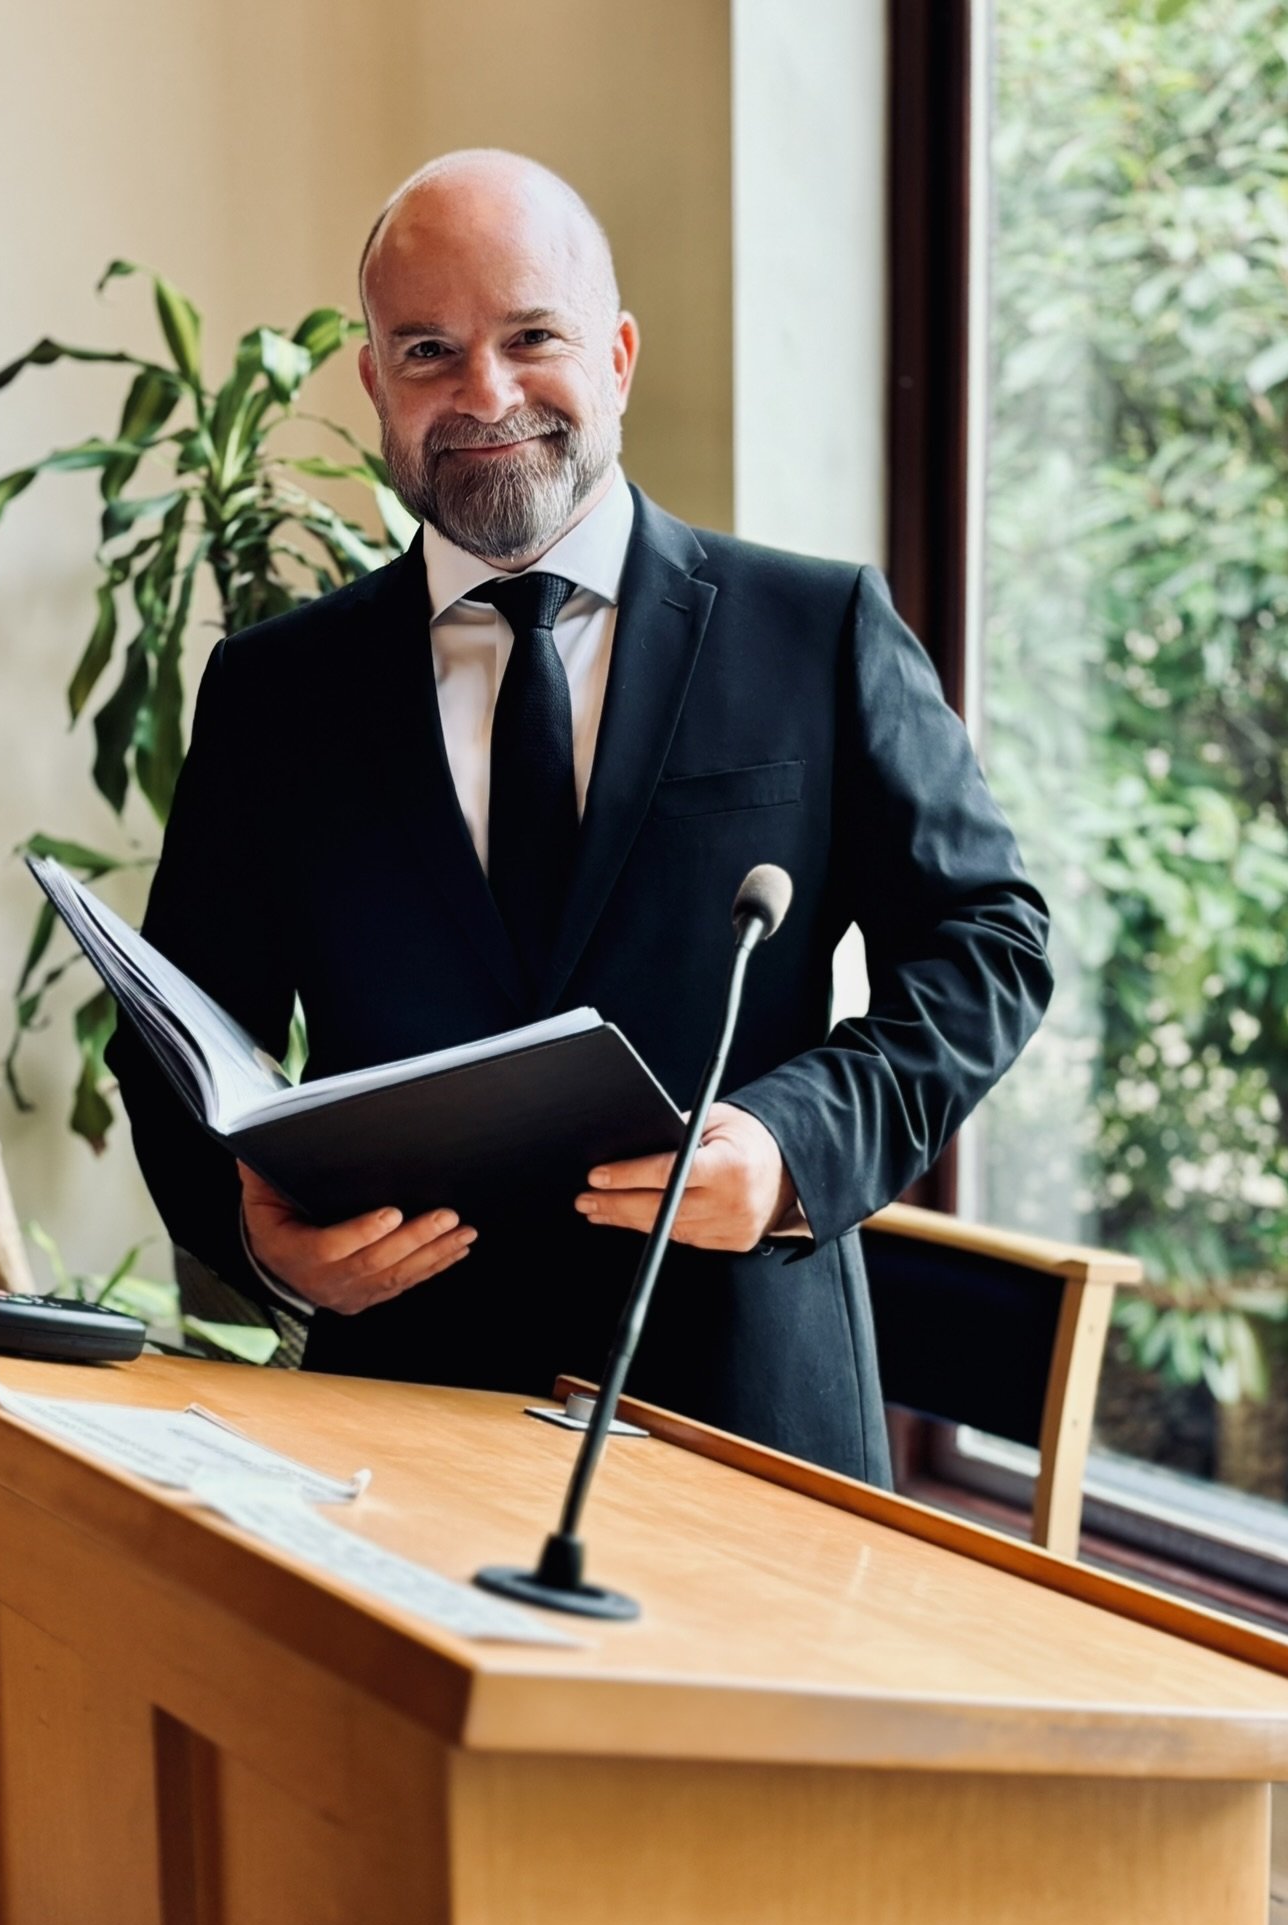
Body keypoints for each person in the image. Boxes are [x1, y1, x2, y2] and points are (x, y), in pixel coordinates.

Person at [107, 150, 1052, 1486]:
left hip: (747, 1415)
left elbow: (988, 944)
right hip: (396, 1421)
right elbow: (173, 1036)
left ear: (614, 354)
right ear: (375, 382)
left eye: (529, 337)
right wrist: (263, 1241)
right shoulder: (274, 692)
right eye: (428, 350)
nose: (483, 394)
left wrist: (792, 1147)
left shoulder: (816, 630)